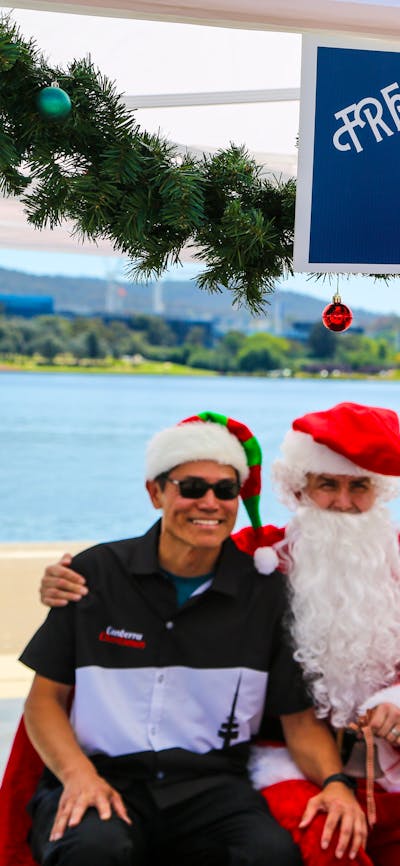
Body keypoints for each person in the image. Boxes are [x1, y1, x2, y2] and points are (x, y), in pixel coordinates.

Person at [14, 410, 365, 866]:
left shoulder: (266, 594)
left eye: (225, 490)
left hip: (213, 788)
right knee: (94, 851)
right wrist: (78, 776)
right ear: (155, 492)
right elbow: (43, 701)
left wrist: (337, 784)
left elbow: (298, 722)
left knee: (270, 855)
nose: (210, 502)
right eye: (192, 487)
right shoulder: (94, 575)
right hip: (102, 776)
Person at [233, 401, 400, 866]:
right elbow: (171, 558)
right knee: (332, 845)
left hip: (387, 763)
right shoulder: (259, 555)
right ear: (300, 489)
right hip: (284, 757)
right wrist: (78, 577)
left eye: (359, 486)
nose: (344, 503)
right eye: (328, 484)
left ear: (378, 490)